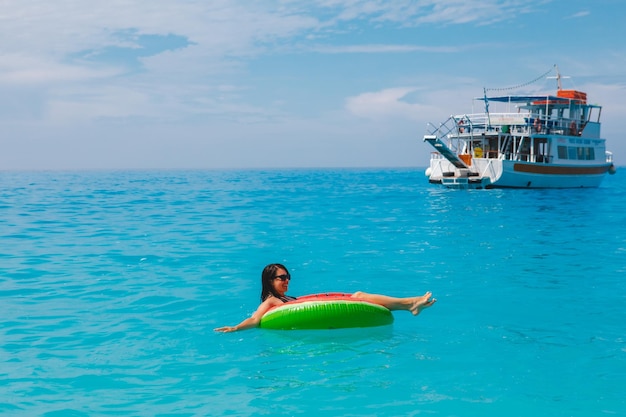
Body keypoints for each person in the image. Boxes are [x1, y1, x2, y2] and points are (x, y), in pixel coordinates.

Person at [214, 263, 436, 333]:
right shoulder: (271, 301)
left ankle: (410, 305)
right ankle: (409, 304)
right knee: (359, 295)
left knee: (359, 295)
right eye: (281, 278)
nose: (286, 281)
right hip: (295, 325)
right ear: (269, 281)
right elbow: (255, 319)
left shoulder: (289, 297)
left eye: (288, 277)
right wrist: (235, 328)